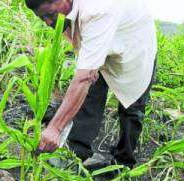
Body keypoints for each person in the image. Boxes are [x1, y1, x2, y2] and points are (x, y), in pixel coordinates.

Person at [25, 0, 158, 169]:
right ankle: (76, 151)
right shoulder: (75, 12)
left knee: (133, 106)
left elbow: (83, 77)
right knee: (90, 91)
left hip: (134, 45)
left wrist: (55, 129)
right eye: (42, 18)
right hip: (106, 32)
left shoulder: (97, 10)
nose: (49, 22)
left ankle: (123, 163)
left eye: (50, 15)